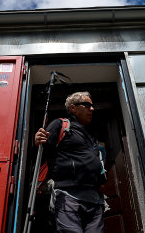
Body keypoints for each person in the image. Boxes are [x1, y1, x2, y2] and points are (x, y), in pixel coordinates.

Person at [35, 91, 106, 233]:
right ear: (73, 108)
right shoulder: (61, 125)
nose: (92, 109)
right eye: (87, 105)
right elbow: (43, 149)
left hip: (94, 199)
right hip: (68, 196)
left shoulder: (91, 134)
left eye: (92, 106)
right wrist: (37, 141)